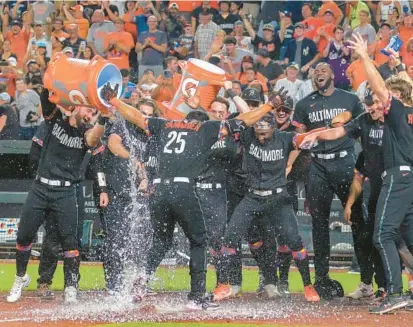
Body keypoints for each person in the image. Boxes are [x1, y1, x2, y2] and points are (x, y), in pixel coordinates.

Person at [101, 80, 290, 310]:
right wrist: (269, 105)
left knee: (161, 240)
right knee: (199, 241)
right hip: (183, 189)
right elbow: (243, 121)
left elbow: (135, 116)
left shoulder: (167, 124)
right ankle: (197, 296)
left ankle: (142, 278)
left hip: (158, 190)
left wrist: (113, 101)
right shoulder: (206, 129)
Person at [6, 86, 107, 303]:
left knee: (70, 242)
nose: (90, 115)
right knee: (24, 237)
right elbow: (47, 102)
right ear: (77, 106)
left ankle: (71, 286)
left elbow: (93, 140)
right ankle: (20, 277)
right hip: (40, 188)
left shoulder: (87, 133)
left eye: (93, 114)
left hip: (65, 191)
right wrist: (50, 85)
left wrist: (103, 117)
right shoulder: (55, 120)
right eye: (88, 111)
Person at [217, 106, 320, 303]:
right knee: (229, 238)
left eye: (265, 133)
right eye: (258, 132)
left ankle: (308, 285)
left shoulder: (285, 138)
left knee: (294, 241)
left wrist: (333, 130)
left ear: (274, 129)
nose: (261, 137)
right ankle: (223, 283)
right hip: (252, 197)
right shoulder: (248, 136)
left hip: (277, 198)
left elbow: (308, 137)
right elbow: (238, 122)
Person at [300, 87, 388, 302]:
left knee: (388, 237)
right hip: (374, 183)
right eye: (369, 103)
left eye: (376, 102)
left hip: (395, 181)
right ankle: (374, 285)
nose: (372, 107)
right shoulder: (364, 123)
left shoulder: (395, 121)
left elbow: (347, 116)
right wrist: (317, 135)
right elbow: (341, 130)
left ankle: (391, 287)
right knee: (373, 235)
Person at [347, 33, 413, 314]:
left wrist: (364, 56)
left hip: (398, 176)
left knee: (383, 234)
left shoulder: (397, 111)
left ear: (397, 97)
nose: (379, 101)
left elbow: (383, 89)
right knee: (409, 238)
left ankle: (395, 292)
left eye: (385, 97)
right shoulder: (408, 114)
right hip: (409, 178)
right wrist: (400, 68)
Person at [292, 62, 364, 300]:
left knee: (357, 220)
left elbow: (364, 125)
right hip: (317, 164)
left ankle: (367, 281)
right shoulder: (304, 104)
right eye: (315, 71)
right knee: (318, 225)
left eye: (323, 69)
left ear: (333, 75)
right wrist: (291, 164)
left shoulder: (351, 99)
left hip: (344, 162)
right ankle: (321, 279)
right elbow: (298, 139)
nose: (319, 73)